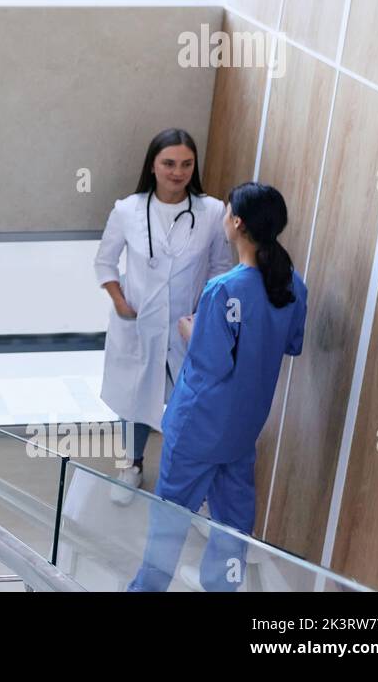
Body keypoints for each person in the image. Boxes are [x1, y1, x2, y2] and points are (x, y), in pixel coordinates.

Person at [128, 181, 307, 591]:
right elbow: (291, 343)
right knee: (233, 527)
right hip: (242, 431)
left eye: (227, 213)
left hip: (197, 428)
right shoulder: (294, 285)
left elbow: (209, 366)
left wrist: (192, 330)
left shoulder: (223, 289)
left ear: (237, 222)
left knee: (168, 527)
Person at [94, 129, 232, 501]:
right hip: (138, 326)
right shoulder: (128, 209)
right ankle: (131, 466)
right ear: (153, 165)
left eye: (186, 164)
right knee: (134, 398)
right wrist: (121, 303)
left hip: (189, 327)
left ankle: (191, 483)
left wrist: (204, 312)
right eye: (169, 163)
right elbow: (105, 262)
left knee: (189, 407)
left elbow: (221, 267)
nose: (178, 172)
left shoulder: (212, 211)